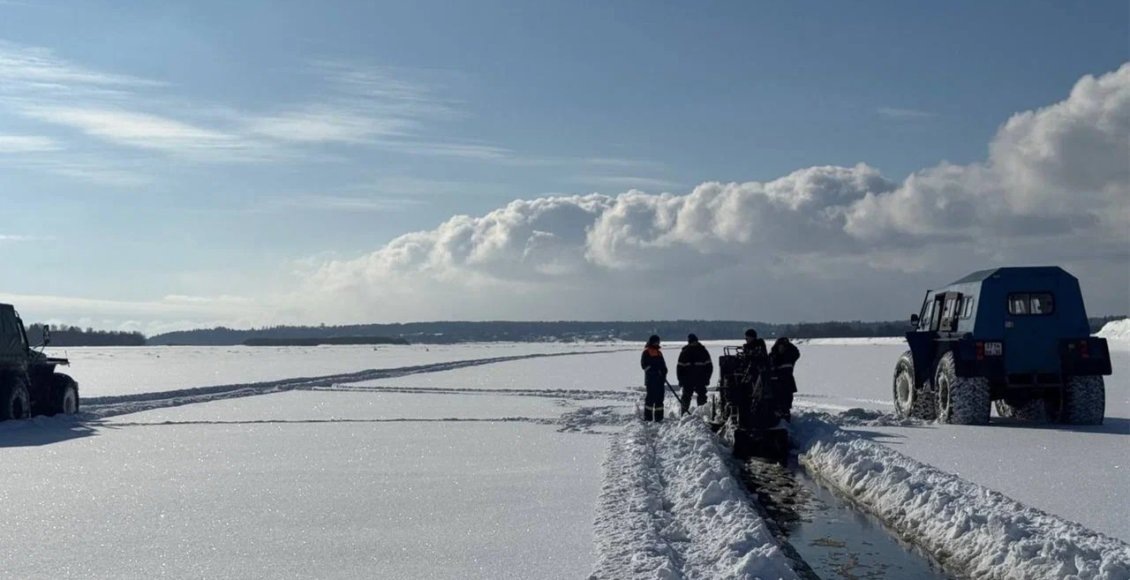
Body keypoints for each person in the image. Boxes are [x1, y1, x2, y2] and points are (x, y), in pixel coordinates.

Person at [676, 334, 713, 414]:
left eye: (694, 341)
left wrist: (707, 378)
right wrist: (681, 379)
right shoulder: (685, 352)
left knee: (702, 397)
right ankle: (684, 414)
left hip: (700, 379)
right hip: (688, 380)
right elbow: (679, 368)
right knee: (686, 397)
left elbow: (709, 367)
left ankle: (702, 413)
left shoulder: (703, 351)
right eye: (692, 342)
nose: (693, 343)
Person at [768, 337, 801, 421]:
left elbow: (796, 353)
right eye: (780, 346)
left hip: (787, 381)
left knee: (787, 400)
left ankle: (785, 416)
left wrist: (788, 343)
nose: (782, 348)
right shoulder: (773, 357)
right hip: (775, 382)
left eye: (784, 347)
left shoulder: (789, 356)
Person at [640, 334, 668, 422]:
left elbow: (663, 366)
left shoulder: (659, 353)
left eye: (658, 342)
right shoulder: (646, 352)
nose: (657, 343)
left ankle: (659, 418)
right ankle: (648, 418)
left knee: (659, 399)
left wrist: (664, 372)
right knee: (650, 399)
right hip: (651, 380)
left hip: (660, 380)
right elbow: (644, 366)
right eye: (656, 341)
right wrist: (654, 371)